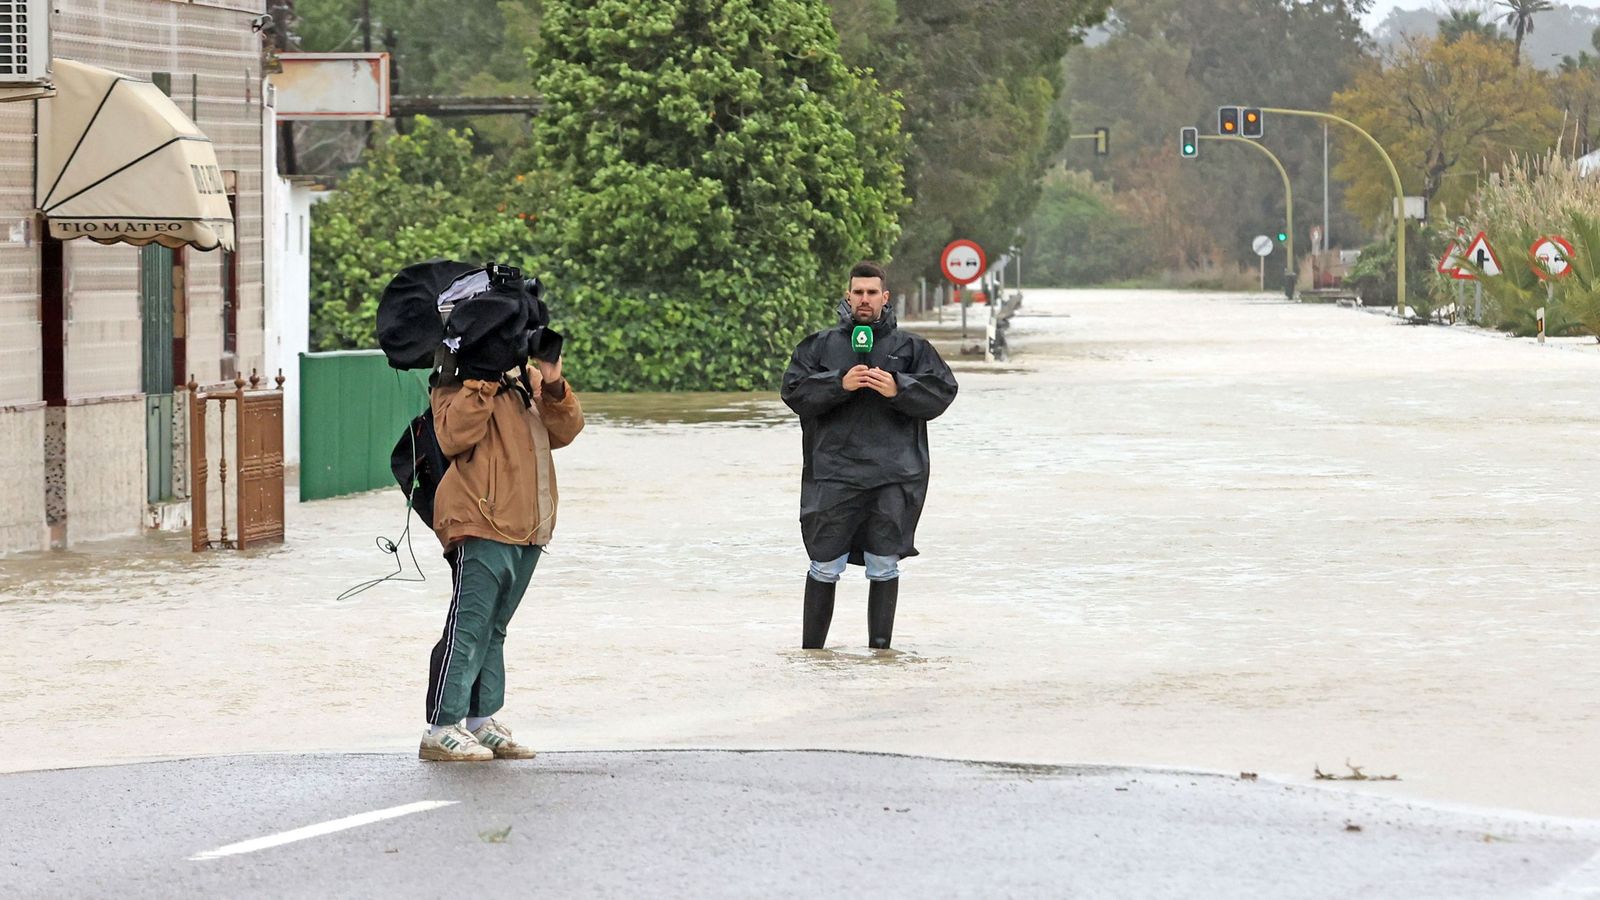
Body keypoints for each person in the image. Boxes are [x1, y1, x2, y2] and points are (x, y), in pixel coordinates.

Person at [418, 321, 584, 762]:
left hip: (528, 523)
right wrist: (482, 380)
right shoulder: (453, 381)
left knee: (495, 628)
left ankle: (479, 719)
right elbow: (453, 436)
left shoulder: (525, 382)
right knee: (468, 626)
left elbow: (566, 431)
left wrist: (551, 380)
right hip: (478, 519)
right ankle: (441, 727)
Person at [780, 261, 959, 650]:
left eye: (872, 293)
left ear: (885, 297)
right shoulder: (819, 346)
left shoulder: (912, 349)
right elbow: (793, 393)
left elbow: (943, 392)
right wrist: (837, 383)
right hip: (833, 475)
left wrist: (900, 388)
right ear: (848, 295)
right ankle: (812, 659)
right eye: (858, 292)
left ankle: (881, 659)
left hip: (893, 476)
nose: (864, 299)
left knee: (883, 565)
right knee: (824, 565)